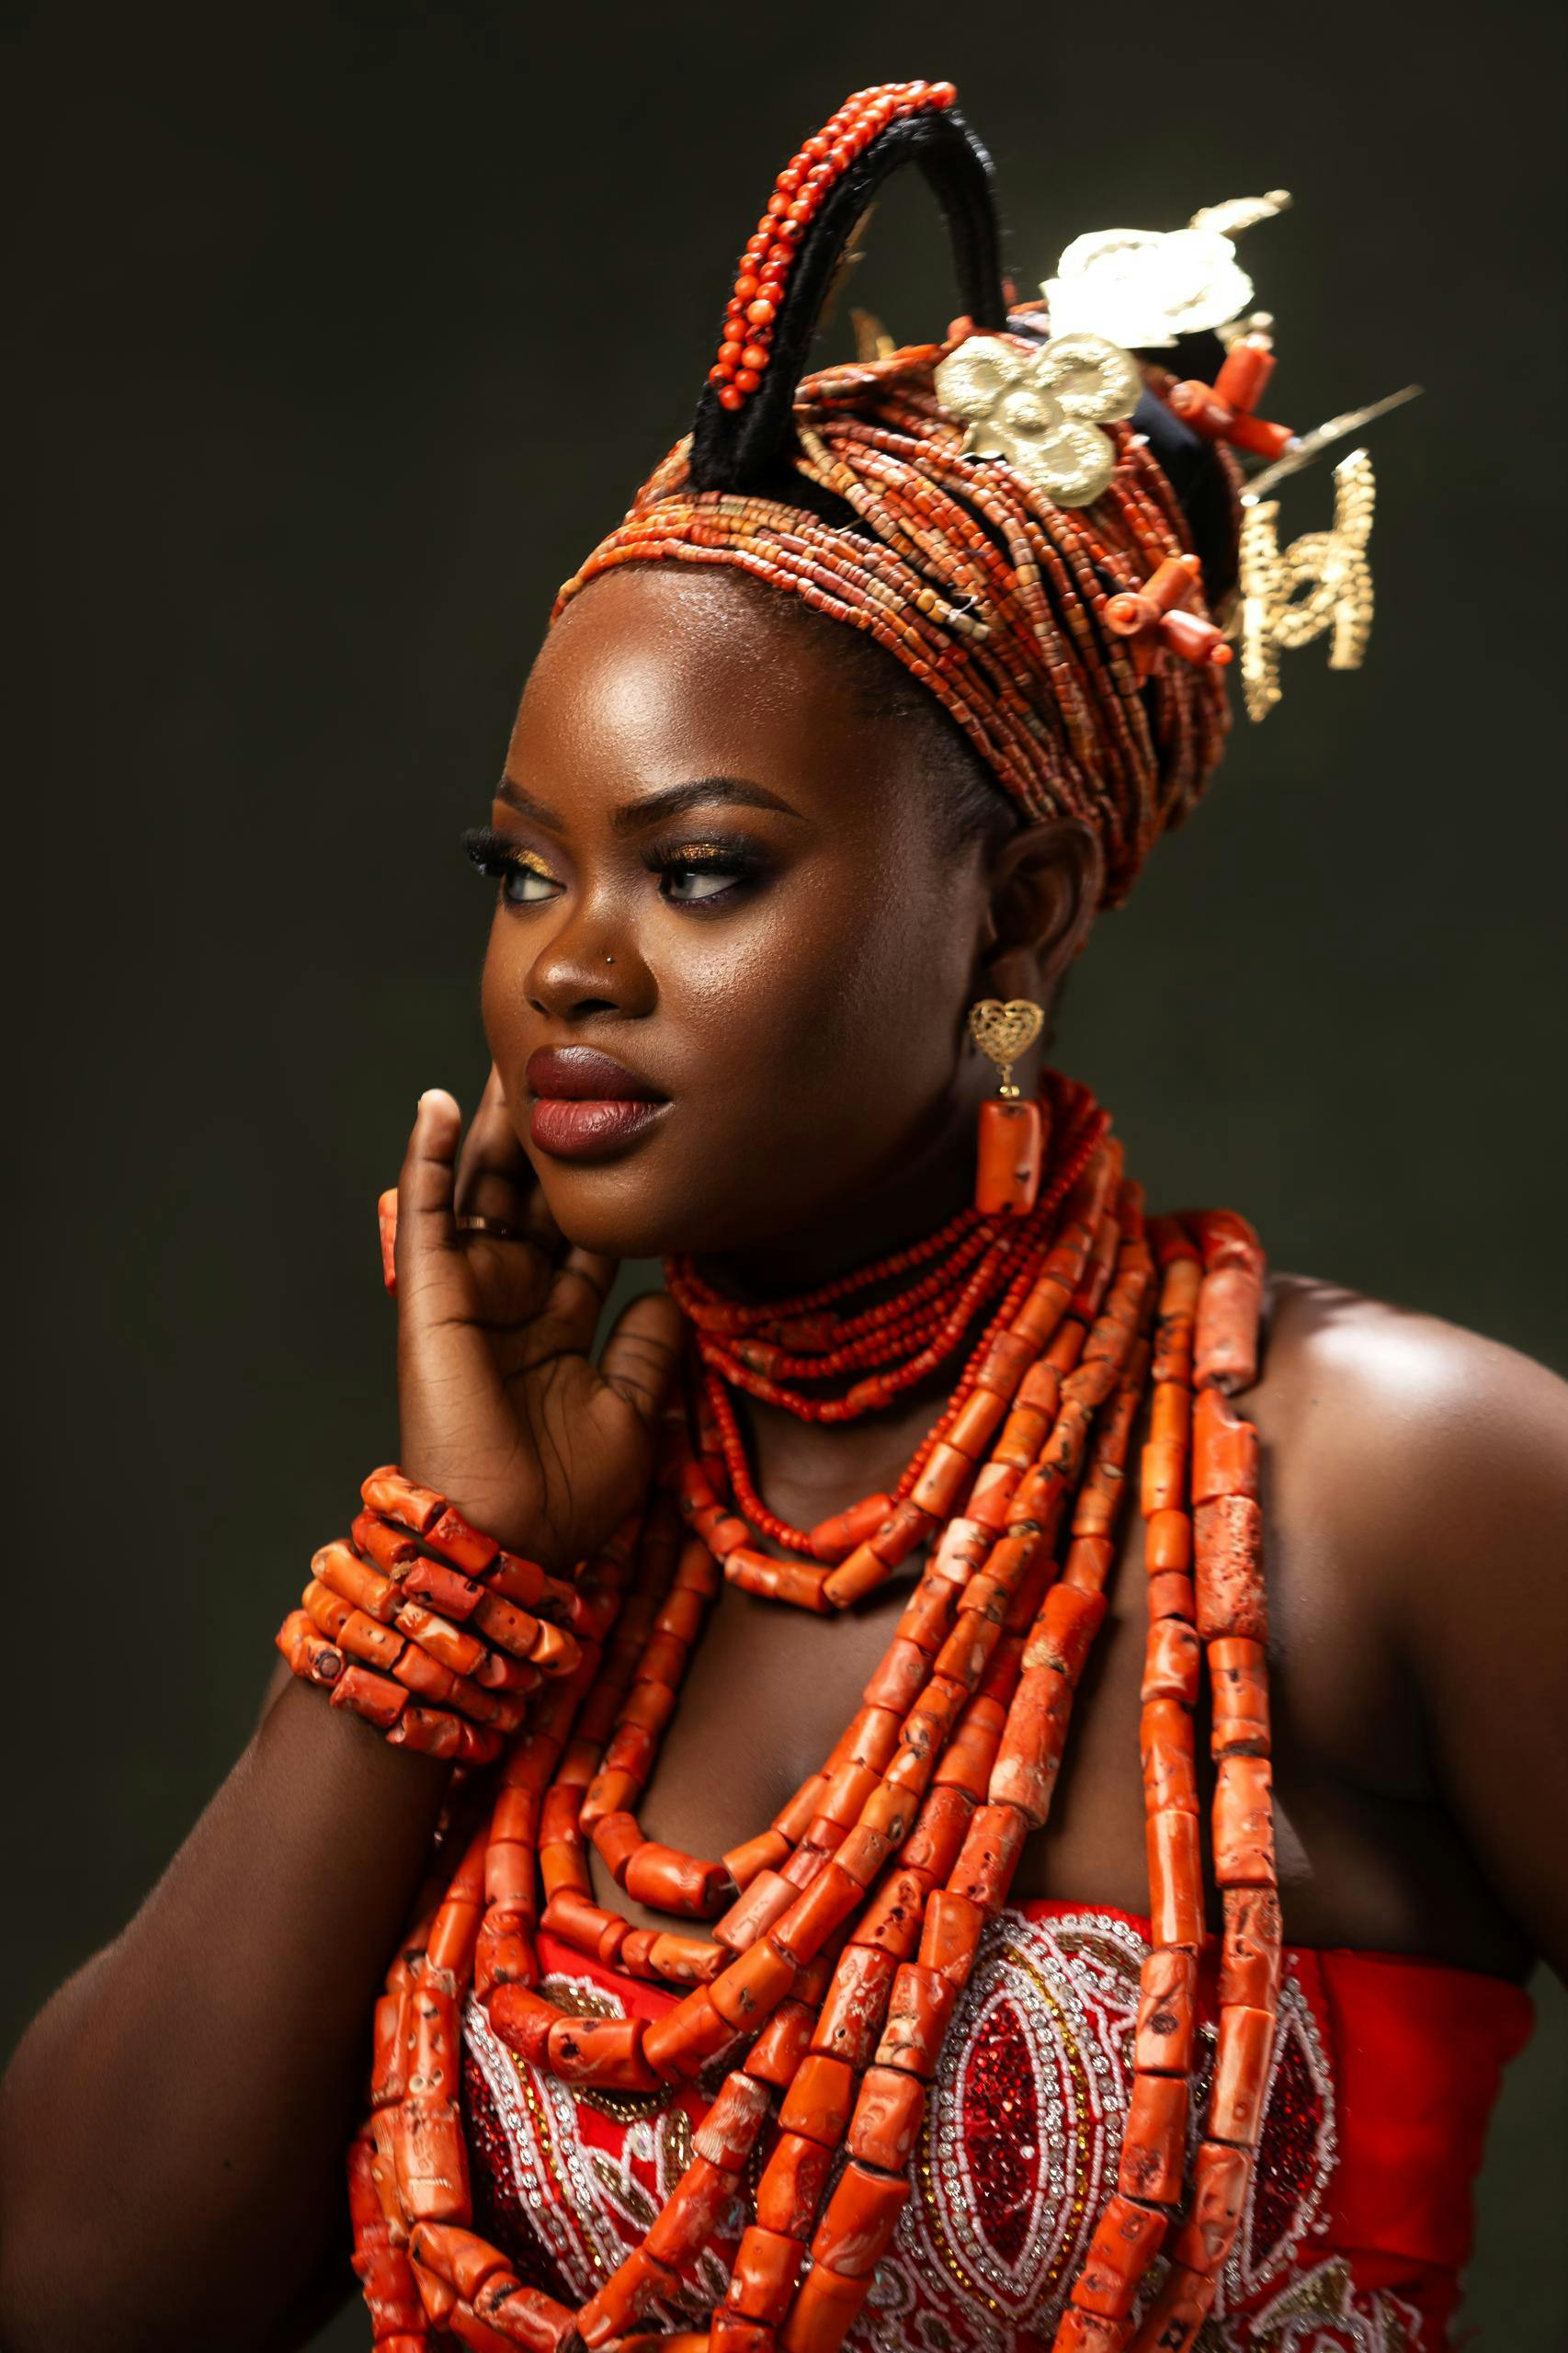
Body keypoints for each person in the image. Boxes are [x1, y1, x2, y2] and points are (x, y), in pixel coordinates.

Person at [1, 78, 1562, 2353]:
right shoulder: (562, 1556)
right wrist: (450, 1581)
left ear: (1013, 913)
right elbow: (75, 2296)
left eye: (702, 869)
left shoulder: (1396, 1482)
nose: (570, 964)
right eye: (523, 871)